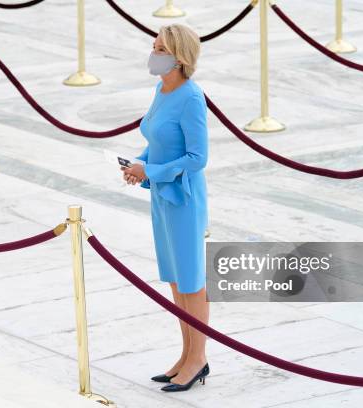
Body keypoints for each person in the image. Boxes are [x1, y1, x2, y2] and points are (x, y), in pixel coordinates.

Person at [121, 24, 210, 393]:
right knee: (175, 279)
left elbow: (197, 157)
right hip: (160, 194)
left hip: (184, 199)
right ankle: (186, 354)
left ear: (179, 57)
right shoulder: (161, 88)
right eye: (153, 46)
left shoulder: (191, 97)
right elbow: (157, 139)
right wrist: (138, 165)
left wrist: (151, 170)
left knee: (192, 282)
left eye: (160, 49)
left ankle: (198, 358)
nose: (153, 53)